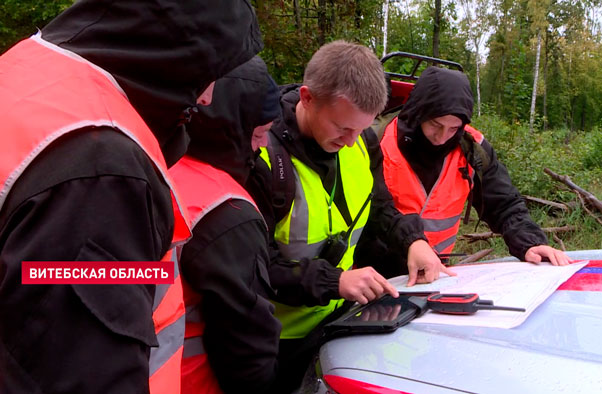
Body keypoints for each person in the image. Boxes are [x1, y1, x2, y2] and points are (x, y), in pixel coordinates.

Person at [0, 1, 261, 393]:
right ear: (169, 54)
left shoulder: (28, 69)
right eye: (209, 75)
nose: (206, 98)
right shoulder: (101, 172)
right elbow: (83, 369)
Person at [246, 40, 454, 393]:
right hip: (277, 340)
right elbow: (255, 266)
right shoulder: (263, 157)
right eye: (342, 128)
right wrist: (336, 282)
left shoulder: (361, 142)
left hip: (340, 323)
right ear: (308, 98)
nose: (350, 141)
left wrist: (413, 240)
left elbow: (381, 208)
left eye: (362, 128)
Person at [355, 66, 571, 280]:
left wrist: (531, 243)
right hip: (369, 278)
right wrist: (410, 242)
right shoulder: (376, 141)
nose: (441, 137)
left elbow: (504, 204)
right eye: (435, 124)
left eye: (453, 128)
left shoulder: (473, 150)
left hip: (433, 278)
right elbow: (375, 209)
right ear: (417, 112)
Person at [170, 56, 282, 394]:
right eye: (260, 133)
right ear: (231, 127)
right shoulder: (228, 214)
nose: (263, 147)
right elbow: (248, 352)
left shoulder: (155, 165)